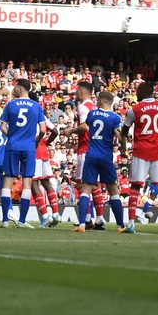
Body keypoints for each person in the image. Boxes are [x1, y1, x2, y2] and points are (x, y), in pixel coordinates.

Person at [121, 82, 158, 234]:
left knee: (135, 186)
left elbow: (124, 130)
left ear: (141, 93)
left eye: (137, 92)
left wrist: (126, 139)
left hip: (141, 151)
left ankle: (132, 224)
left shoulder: (134, 109)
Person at [73, 91, 127, 233]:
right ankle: (120, 226)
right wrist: (124, 145)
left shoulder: (92, 114)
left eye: (97, 100)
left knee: (86, 189)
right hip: (106, 157)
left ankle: (82, 224)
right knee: (113, 191)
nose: (95, 102)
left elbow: (88, 127)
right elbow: (119, 136)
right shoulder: (115, 117)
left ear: (102, 102)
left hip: (90, 155)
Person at [0, 78, 47, 229]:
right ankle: (21, 220)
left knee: (7, 181)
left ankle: (5, 221)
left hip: (12, 146)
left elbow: (2, 127)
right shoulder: (37, 106)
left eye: (15, 88)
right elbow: (43, 130)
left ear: (20, 90)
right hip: (28, 147)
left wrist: (12, 136)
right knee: (27, 183)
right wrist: (37, 141)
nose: (13, 90)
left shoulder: (11, 104)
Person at [62, 81, 104, 230]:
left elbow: (85, 126)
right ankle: (99, 220)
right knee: (95, 186)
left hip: (85, 149)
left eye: (77, 91)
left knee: (82, 184)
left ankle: (86, 219)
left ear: (82, 92)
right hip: (97, 149)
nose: (75, 94)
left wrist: (71, 131)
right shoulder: (96, 107)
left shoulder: (82, 107)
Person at [33, 118, 61, 228]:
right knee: (46, 183)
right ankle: (56, 213)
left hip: (33, 150)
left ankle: (45, 216)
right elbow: (55, 131)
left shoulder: (29, 111)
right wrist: (46, 142)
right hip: (44, 151)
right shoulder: (42, 116)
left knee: (33, 184)